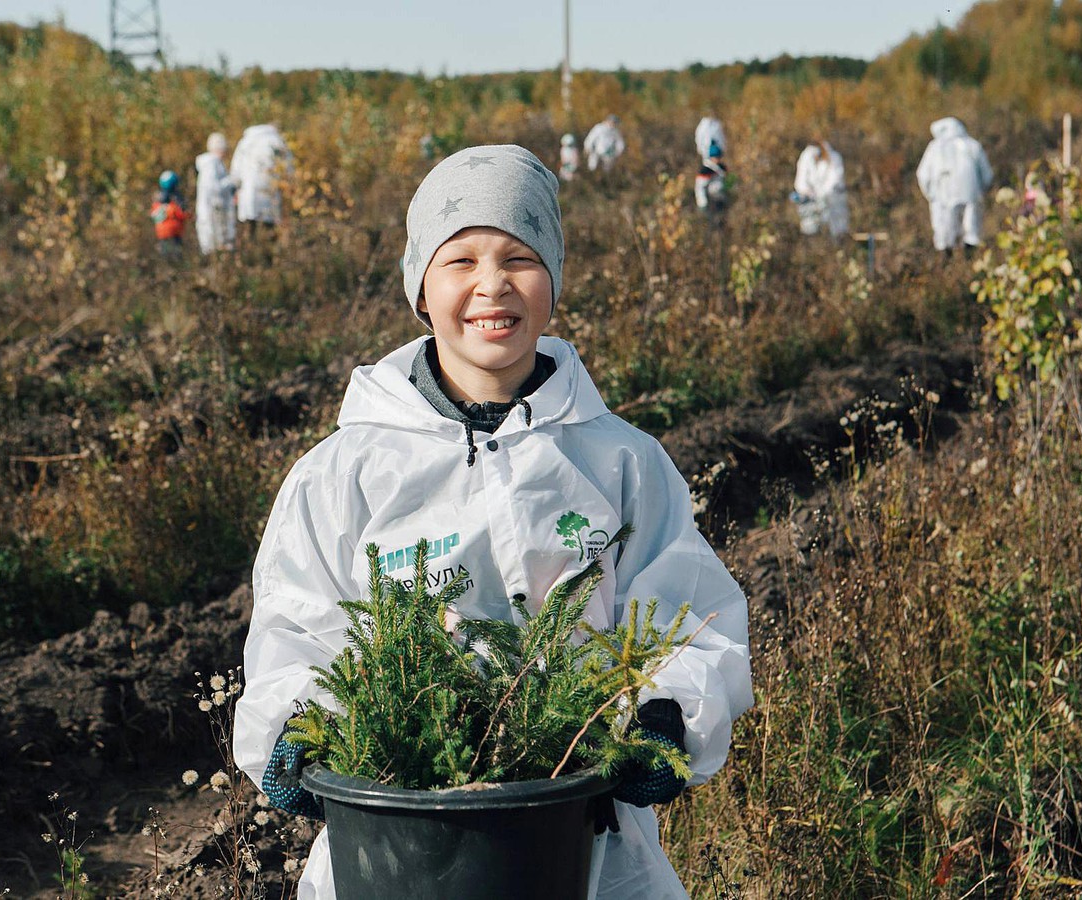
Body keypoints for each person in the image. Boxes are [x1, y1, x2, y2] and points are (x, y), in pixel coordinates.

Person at [234, 144, 754, 900]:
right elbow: (298, 627)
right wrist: (298, 729)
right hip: (398, 838)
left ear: (553, 285)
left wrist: (665, 715)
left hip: (580, 834)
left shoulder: (617, 462)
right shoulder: (345, 472)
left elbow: (688, 615)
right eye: (460, 261)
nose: (491, 284)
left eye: (519, 256)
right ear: (419, 288)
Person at [916, 116, 993, 254]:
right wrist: (980, 190)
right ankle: (970, 262)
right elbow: (987, 174)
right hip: (970, 193)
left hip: (943, 195)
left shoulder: (934, 148)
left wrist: (931, 195)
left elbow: (923, 175)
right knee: (971, 229)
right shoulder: (972, 145)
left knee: (944, 230)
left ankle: (947, 262)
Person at [229, 122, 294, 253]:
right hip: (270, 195)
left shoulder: (246, 142)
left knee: (249, 229)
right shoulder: (277, 141)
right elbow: (288, 169)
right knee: (269, 229)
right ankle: (267, 261)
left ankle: (250, 260)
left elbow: (235, 171)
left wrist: (236, 188)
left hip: (248, 196)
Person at [792, 141, 850, 238]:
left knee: (836, 228)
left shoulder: (834, 158)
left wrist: (819, 193)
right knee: (810, 226)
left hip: (833, 200)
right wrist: (807, 192)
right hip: (812, 201)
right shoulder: (807, 157)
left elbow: (833, 180)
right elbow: (800, 181)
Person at [195, 132, 238, 255]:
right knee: (213, 246)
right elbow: (213, 188)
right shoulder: (211, 164)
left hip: (215, 212)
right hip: (213, 213)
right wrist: (232, 181)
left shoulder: (216, 164)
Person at [150, 170, 188, 259]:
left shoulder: (157, 200)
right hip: (175, 232)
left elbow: (154, 216)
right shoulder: (177, 199)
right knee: (177, 255)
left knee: (166, 255)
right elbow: (182, 214)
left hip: (162, 234)